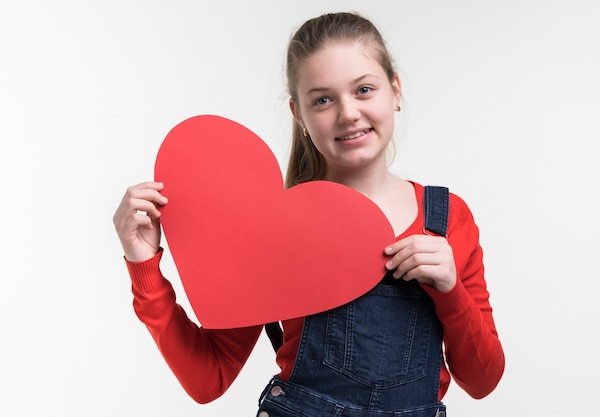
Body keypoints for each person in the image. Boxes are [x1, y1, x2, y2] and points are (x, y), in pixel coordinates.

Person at [113, 12, 504, 416]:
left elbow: (483, 379)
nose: (348, 112)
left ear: (396, 91)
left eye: (364, 90)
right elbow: (207, 377)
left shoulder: (447, 219)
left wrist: (450, 291)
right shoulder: (274, 230)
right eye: (322, 99)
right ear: (298, 115)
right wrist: (144, 267)